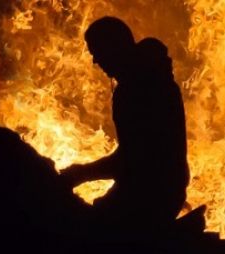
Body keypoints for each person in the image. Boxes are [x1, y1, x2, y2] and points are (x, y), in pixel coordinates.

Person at [61, 16, 190, 239]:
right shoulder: (147, 79)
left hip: (151, 196)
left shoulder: (138, 88)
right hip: (155, 189)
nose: (95, 61)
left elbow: (134, 160)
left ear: (113, 47)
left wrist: (81, 173)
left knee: (88, 237)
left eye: (97, 51)